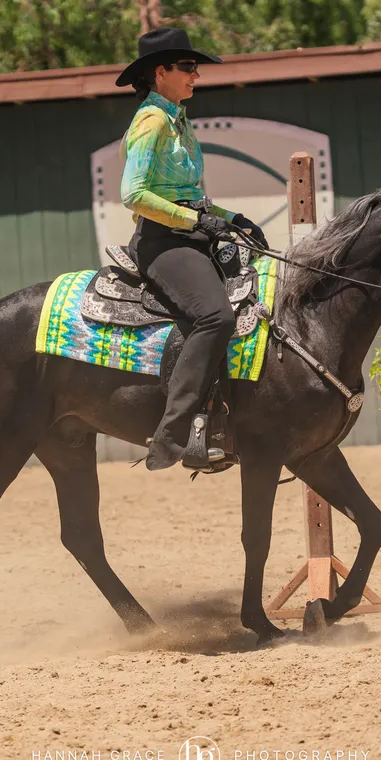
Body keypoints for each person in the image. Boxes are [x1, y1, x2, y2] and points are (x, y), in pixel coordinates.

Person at [115, 26, 269, 471]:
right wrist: (197, 221)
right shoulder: (152, 121)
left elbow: (188, 195)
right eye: (187, 67)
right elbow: (134, 194)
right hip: (162, 241)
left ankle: (223, 423)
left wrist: (231, 218)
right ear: (160, 72)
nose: (195, 74)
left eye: (194, 67)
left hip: (189, 232)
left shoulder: (178, 120)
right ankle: (174, 432)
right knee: (215, 315)